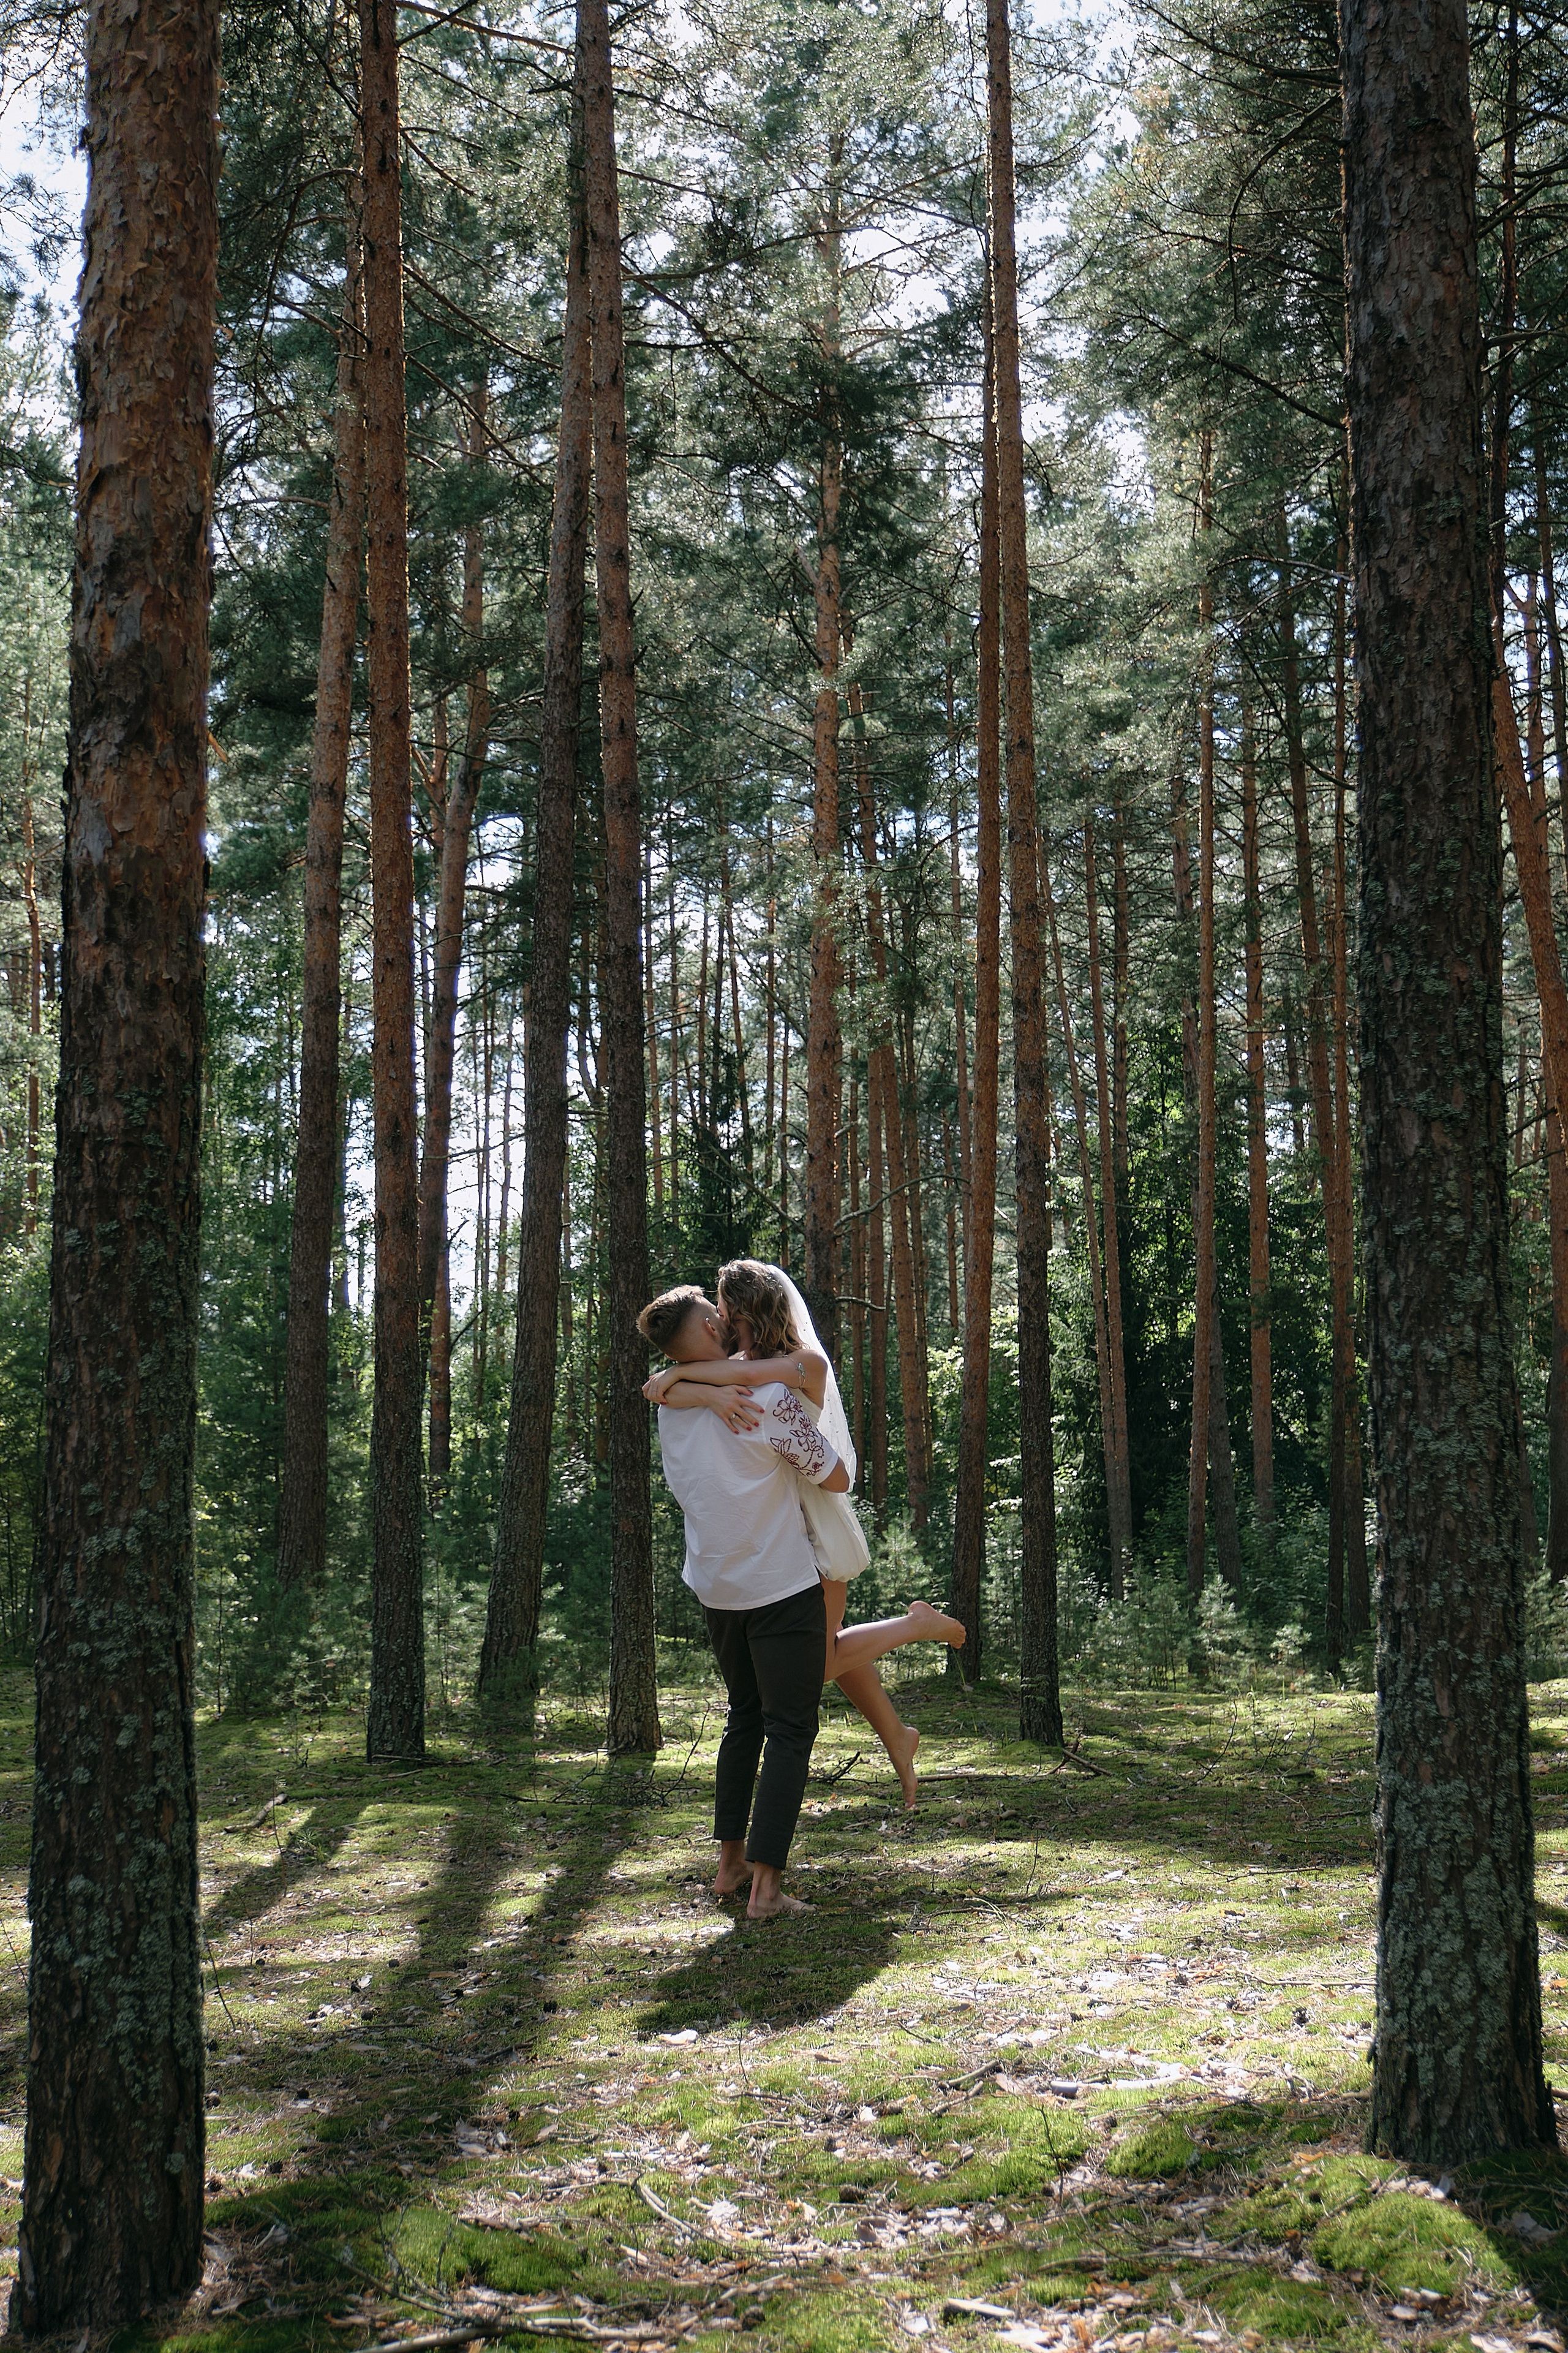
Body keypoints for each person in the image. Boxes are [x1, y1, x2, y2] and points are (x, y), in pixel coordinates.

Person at [643, 1260, 964, 1807]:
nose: (718, 1322)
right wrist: (685, 1385)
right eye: (714, 1314)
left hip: (814, 1521)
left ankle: (915, 1624)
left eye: (724, 1311)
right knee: (823, 1651)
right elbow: (686, 1384)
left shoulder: (802, 1363)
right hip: (787, 1516)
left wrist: (679, 1379)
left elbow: (729, 1380)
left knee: (814, 1664)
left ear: (743, 1311)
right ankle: (897, 1737)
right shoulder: (742, 1365)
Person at [637, 1282, 843, 1919]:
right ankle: (767, 1889)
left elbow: (664, 1381)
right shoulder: (770, 1400)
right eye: (712, 1316)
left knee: (744, 1716)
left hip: (716, 1585)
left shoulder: (673, 1402)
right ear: (699, 1337)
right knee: (789, 1729)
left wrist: (699, 1385)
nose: (723, 1319)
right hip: (778, 1582)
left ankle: (730, 1864)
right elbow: (836, 1476)